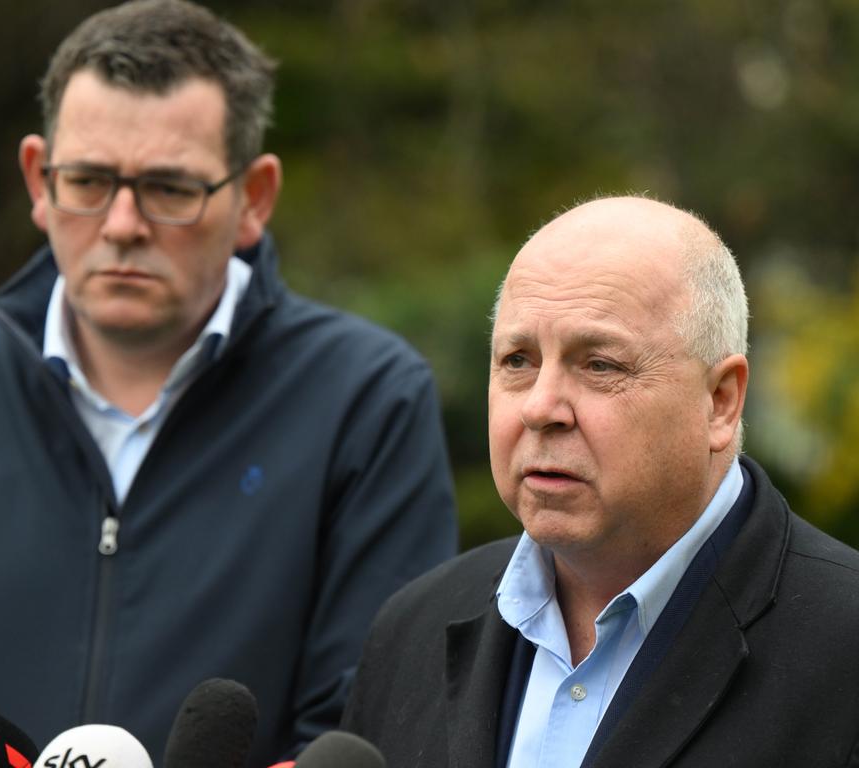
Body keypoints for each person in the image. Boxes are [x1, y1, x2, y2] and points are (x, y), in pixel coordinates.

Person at [0, 2, 458, 765]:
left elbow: (373, 721)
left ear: (253, 198)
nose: (122, 223)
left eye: (169, 189)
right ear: (39, 177)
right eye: (89, 179)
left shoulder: (369, 401)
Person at [341, 196, 859, 767]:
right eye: (518, 360)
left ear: (720, 401)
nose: (541, 408)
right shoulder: (412, 627)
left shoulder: (841, 645)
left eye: (599, 365)